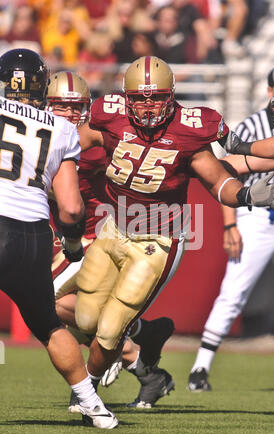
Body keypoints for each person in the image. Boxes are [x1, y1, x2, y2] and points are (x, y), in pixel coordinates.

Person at [70, 55, 274, 421]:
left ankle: (87, 390)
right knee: (84, 318)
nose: (148, 106)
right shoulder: (106, 113)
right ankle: (148, 337)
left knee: (109, 332)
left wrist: (248, 195)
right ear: (126, 98)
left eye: (156, 97)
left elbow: (218, 177)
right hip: (113, 227)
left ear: (172, 95)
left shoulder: (193, 126)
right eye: (140, 98)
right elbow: (69, 148)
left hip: (158, 236)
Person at [0, 48, 117, 429]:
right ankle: (93, 405)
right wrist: (70, 244)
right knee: (48, 325)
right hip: (33, 233)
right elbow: (70, 208)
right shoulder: (64, 129)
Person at [46, 70, 175, 410]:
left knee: (45, 301)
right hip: (71, 241)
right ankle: (144, 360)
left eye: (78, 107)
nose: (72, 114)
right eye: (62, 106)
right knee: (62, 319)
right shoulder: (46, 137)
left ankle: (127, 344)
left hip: (96, 238)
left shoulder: (89, 144)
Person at [187, 65, 274, 391]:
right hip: (260, 217)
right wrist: (229, 223)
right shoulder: (254, 124)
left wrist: (241, 151)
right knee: (234, 291)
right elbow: (238, 170)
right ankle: (200, 368)